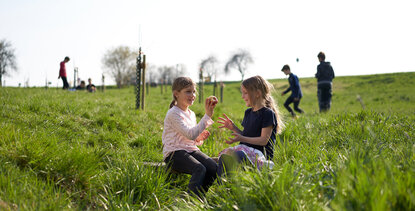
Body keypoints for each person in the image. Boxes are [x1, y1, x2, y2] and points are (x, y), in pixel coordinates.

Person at [162, 77, 218, 198]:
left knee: (213, 167)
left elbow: (191, 137)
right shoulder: (173, 113)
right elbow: (190, 134)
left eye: (194, 92)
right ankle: (189, 202)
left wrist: (199, 138)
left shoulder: (191, 114)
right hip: (174, 153)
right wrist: (207, 116)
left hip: (190, 150)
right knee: (199, 169)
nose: (192, 95)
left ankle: (199, 197)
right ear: (176, 94)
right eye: (188, 91)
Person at [216, 75, 284, 176]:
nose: (242, 96)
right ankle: (222, 186)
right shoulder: (248, 113)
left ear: (257, 93)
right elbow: (247, 135)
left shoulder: (267, 113)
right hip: (246, 151)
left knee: (238, 155)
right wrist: (233, 128)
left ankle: (256, 175)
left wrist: (242, 138)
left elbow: (263, 140)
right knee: (224, 157)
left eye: (245, 93)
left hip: (261, 156)